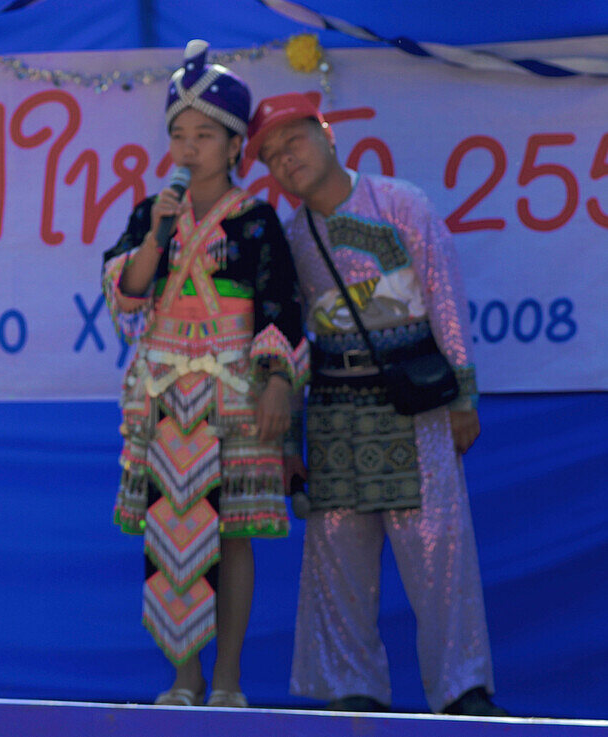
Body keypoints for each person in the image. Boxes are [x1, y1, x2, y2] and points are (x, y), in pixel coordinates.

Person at [245, 93, 505, 716]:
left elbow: (444, 295)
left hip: (415, 402)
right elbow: (289, 339)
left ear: (327, 133)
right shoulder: (289, 240)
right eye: (272, 157)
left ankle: (462, 691)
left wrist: (464, 394)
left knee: (440, 546)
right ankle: (350, 691)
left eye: (294, 143)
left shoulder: (401, 203)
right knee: (336, 557)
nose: (286, 161)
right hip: (335, 412)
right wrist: (287, 445)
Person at [102, 41, 307, 708]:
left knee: (233, 531)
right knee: (172, 529)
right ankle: (183, 676)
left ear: (234, 144)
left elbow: (282, 305)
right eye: (179, 135)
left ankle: (228, 679)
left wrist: (278, 381)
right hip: (165, 392)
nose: (189, 148)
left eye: (205, 136)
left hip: (233, 390)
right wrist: (158, 235)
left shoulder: (255, 220)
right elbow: (127, 294)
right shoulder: (151, 212)